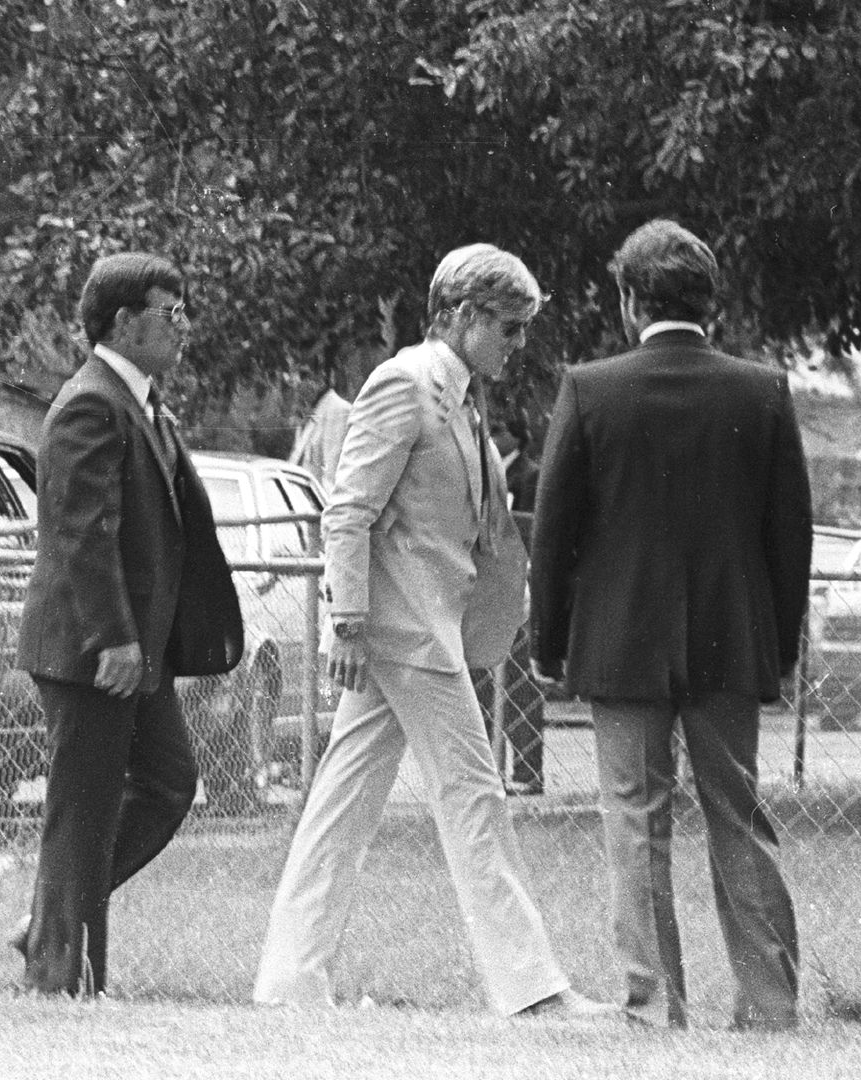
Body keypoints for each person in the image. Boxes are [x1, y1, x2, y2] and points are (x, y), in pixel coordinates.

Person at [254, 244, 623, 1025]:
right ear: (459, 315)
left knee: (341, 802)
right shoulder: (403, 385)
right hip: (404, 634)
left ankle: (289, 983)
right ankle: (529, 988)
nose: (518, 344)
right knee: (476, 797)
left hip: (423, 629)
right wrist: (347, 624)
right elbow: (348, 510)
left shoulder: (457, 395)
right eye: (510, 326)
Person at [529, 219, 812, 1031]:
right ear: (710, 301)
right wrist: (781, 647)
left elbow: (553, 535)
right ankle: (768, 1002)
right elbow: (790, 534)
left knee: (633, 820)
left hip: (619, 642)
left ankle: (655, 1006)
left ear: (627, 300)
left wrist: (550, 643)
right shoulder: (763, 390)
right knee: (739, 815)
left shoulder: (589, 387)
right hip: (732, 637)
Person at [14, 252, 244, 996]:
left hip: (138, 654)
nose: (184, 328)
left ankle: (50, 929)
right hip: (95, 651)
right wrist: (113, 638)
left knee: (170, 782)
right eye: (168, 314)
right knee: (83, 812)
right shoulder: (91, 402)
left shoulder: (142, 401)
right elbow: (79, 531)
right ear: (122, 322)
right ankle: (66, 981)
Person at [476, 413, 545, 795]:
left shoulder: (529, 475)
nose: (492, 435)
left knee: (521, 683)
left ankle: (528, 771)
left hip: (520, 588)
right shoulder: (486, 472)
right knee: (485, 683)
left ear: (516, 436)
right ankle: (489, 768)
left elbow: (530, 527)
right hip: (487, 589)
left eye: (499, 429)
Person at [289, 365, 352, 497]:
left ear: (321, 379)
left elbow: (332, 476)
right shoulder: (309, 411)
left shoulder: (338, 410)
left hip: (318, 507)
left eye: (304, 376)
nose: (298, 382)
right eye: (296, 376)